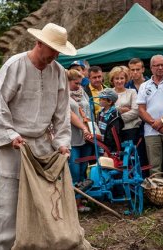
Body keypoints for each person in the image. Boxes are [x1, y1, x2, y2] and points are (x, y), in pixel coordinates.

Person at [0, 23, 76, 249]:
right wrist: (10, 134)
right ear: (39, 43)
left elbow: (61, 114)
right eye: (53, 49)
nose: (56, 55)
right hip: (14, 145)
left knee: (42, 199)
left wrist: (62, 142)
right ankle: (3, 246)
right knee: (9, 199)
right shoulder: (14, 66)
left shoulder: (58, 72)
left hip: (42, 144)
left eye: (59, 51)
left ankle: (37, 243)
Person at [67, 69, 92, 212]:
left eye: (80, 83)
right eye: (76, 83)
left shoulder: (82, 92)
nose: (78, 86)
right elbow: (70, 116)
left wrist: (89, 128)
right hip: (72, 138)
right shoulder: (63, 96)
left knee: (83, 171)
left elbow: (87, 112)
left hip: (85, 137)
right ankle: (74, 206)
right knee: (74, 172)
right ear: (68, 81)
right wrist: (84, 128)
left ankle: (81, 200)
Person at [109, 66, 141, 144]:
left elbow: (136, 112)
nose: (119, 81)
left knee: (129, 155)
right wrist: (121, 109)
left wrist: (116, 119)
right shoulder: (108, 93)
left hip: (130, 130)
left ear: (126, 79)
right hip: (113, 132)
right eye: (117, 78)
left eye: (122, 78)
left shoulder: (132, 92)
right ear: (112, 80)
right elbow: (105, 111)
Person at [97, 88, 124, 154]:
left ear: (110, 101)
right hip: (100, 146)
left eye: (103, 99)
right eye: (100, 98)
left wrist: (108, 149)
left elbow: (113, 135)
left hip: (110, 148)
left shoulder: (114, 115)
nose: (100, 100)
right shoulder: (100, 112)